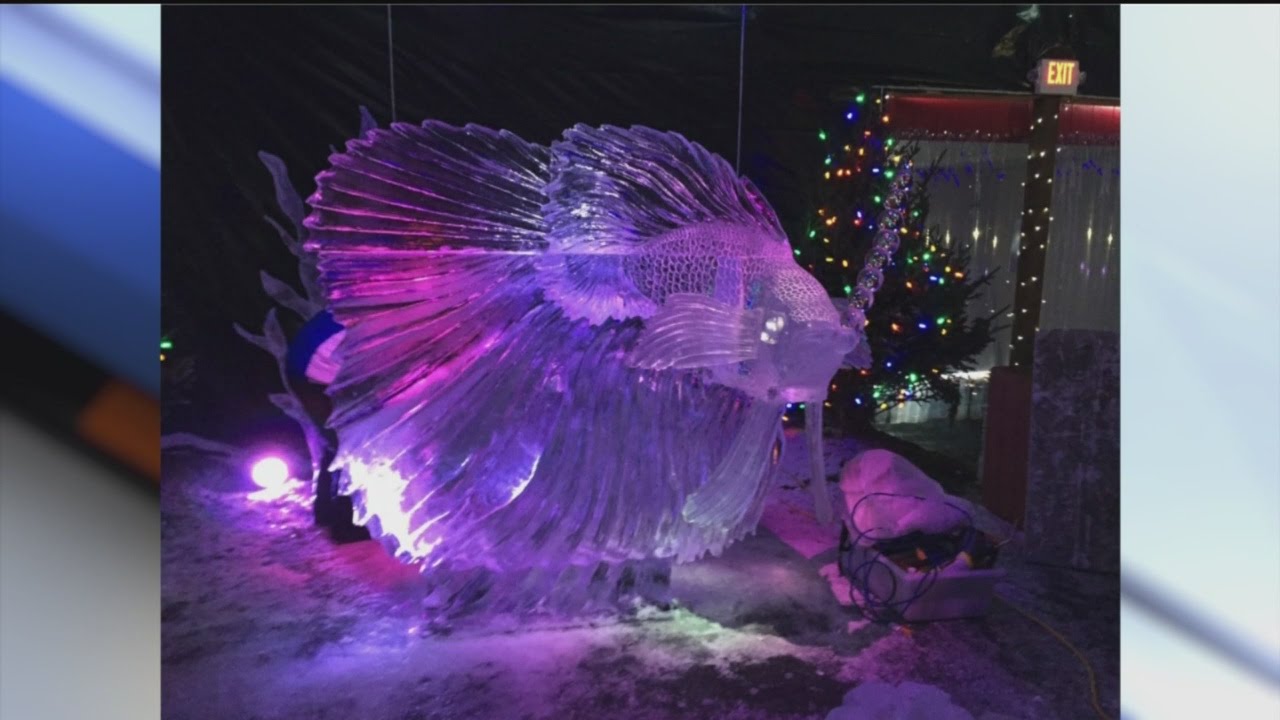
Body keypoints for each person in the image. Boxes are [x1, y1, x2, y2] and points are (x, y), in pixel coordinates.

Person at [284, 310, 369, 543]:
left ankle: (325, 511)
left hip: (311, 374)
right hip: (316, 380)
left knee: (335, 444)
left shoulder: (353, 307)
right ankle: (346, 526)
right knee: (348, 447)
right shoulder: (362, 318)